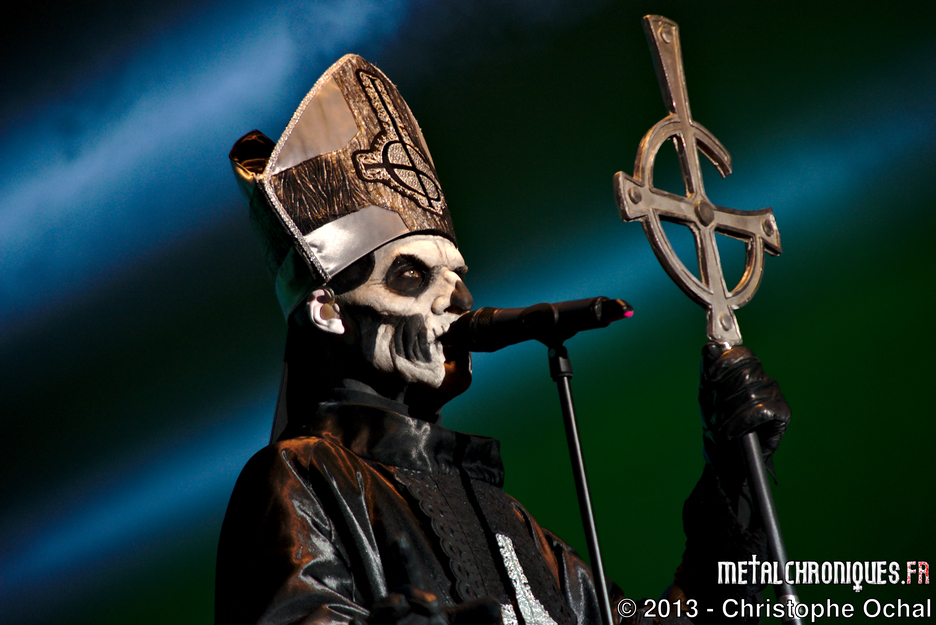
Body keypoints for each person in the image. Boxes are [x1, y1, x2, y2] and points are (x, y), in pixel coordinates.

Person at [216, 54, 790, 625]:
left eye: (457, 276)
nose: (459, 298)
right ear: (328, 311)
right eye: (412, 274)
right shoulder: (299, 478)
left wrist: (734, 475)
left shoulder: (502, 517)